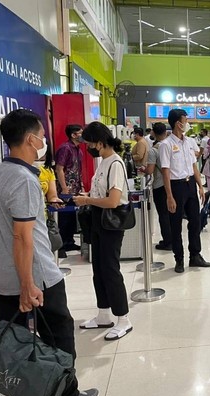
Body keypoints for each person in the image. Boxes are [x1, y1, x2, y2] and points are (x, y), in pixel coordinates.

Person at [0, 109, 98, 396]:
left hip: (3, 277)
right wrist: (27, 285)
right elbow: (22, 237)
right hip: (37, 278)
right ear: (31, 139)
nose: (44, 141)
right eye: (42, 136)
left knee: (16, 343)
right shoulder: (24, 179)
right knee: (59, 335)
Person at [72, 122, 133, 341]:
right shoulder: (103, 162)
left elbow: (114, 200)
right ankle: (103, 314)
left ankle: (123, 318)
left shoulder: (115, 163)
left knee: (110, 269)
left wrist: (87, 199)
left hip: (111, 222)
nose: (87, 147)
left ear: (100, 142)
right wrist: (87, 194)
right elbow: (101, 191)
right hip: (98, 220)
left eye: (89, 143)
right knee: (98, 269)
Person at [160, 109, 210, 273]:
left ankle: (195, 255)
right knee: (176, 225)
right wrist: (169, 196)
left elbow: (193, 166)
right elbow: (165, 171)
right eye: (186, 119)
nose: (187, 122)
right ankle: (179, 259)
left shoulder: (190, 142)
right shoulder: (166, 145)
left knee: (195, 221)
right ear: (178, 123)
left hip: (190, 186)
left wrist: (200, 187)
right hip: (176, 187)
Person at [55, 124, 83, 257]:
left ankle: (69, 241)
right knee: (64, 217)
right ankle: (61, 245)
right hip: (65, 189)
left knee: (72, 217)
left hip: (76, 188)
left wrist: (81, 185)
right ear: (73, 135)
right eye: (80, 133)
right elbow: (59, 168)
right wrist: (64, 187)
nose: (82, 135)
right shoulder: (65, 148)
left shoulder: (78, 149)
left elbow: (78, 170)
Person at [146, 122, 172, 251]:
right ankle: (173, 239)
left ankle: (167, 241)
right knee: (171, 213)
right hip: (172, 183)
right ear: (166, 132)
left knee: (163, 214)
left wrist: (143, 169)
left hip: (159, 185)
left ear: (153, 133)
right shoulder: (170, 146)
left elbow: (150, 170)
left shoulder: (153, 150)